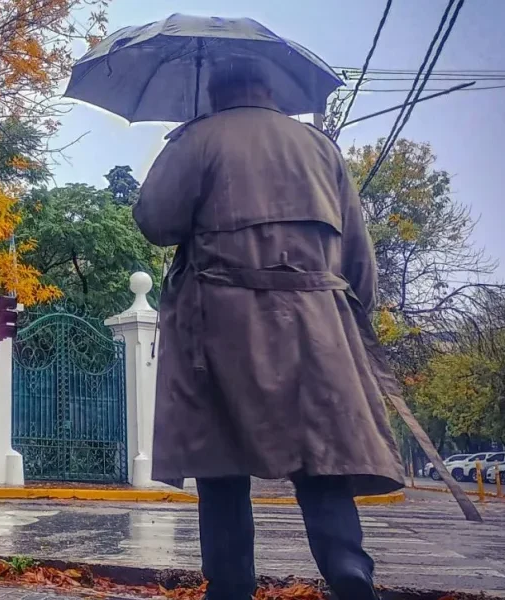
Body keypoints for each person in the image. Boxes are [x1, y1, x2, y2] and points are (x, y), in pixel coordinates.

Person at [132, 60, 405, 600]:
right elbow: (359, 261)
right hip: (318, 327)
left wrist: (183, 143)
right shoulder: (321, 147)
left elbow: (155, 222)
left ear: (213, 92)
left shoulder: (199, 138)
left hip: (221, 327)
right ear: (272, 89)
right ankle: (348, 568)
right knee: (322, 457)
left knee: (220, 462)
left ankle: (231, 585)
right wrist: (347, 321)